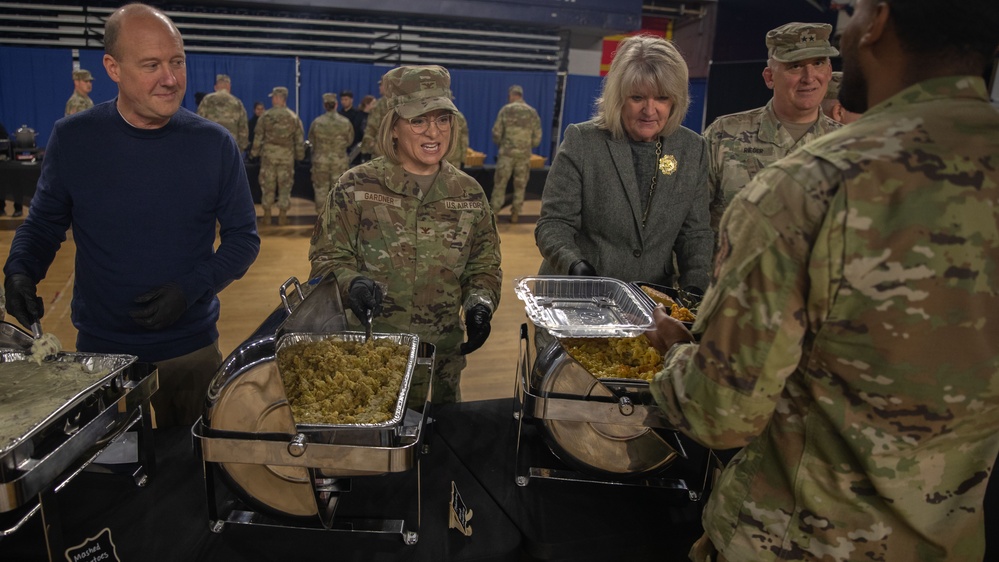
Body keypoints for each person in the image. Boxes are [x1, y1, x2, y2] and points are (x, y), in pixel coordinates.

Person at [644, 1, 999, 560]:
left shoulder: (812, 184)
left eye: (851, 10)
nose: (817, 68)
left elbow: (720, 411)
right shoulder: (730, 139)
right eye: (796, 64)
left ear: (878, 20)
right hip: (949, 536)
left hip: (804, 534)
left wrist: (674, 354)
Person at [3, 3, 260, 429]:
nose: (171, 78)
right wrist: (20, 272)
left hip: (190, 349)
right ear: (113, 67)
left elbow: (243, 239)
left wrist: (191, 288)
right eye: (151, 65)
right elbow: (45, 224)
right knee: (112, 481)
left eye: (177, 61)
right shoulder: (74, 138)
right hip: (101, 353)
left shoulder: (214, 145)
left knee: (195, 475)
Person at [308, 65, 502, 404]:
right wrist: (351, 283)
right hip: (372, 360)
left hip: (442, 363)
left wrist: (479, 304)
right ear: (394, 126)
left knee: (441, 450)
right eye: (419, 121)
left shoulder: (468, 193)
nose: (434, 132)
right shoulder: (356, 186)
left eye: (443, 119)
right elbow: (327, 259)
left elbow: (483, 265)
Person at [535, 34, 713, 295]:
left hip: (651, 303)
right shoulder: (583, 141)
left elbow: (695, 234)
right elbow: (553, 224)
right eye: (638, 98)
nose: (650, 110)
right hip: (578, 296)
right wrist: (575, 266)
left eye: (662, 98)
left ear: (675, 100)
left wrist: (695, 286)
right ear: (618, 98)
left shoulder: (692, 149)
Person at [703, 22, 840, 231]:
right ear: (769, 77)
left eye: (819, 63)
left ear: (829, 72)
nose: (809, 77)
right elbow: (689, 223)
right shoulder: (724, 135)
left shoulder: (845, 145)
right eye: (795, 66)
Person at [250, 86, 305, 226]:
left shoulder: (265, 116)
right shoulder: (293, 117)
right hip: (286, 157)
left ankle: (267, 216)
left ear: (277, 98)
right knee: (285, 185)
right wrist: (300, 157)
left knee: (268, 185)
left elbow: (258, 138)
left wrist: (253, 154)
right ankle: (282, 216)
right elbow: (299, 140)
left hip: (268, 156)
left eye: (273, 97)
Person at [490, 84, 541, 223]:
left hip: (506, 154)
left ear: (512, 95)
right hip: (523, 156)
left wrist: (503, 144)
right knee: (520, 185)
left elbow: (496, 132)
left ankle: (494, 213)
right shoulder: (532, 112)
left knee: (500, 184)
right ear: (521, 95)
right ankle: (515, 214)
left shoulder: (505, 110)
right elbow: (537, 138)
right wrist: (527, 145)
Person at [307, 93, 353, 214]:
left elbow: (312, 140)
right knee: (339, 190)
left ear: (324, 105)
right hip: (339, 161)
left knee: (321, 190)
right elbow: (350, 140)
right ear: (336, 105)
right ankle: (337, 220)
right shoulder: (345, 122)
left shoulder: (317, 122)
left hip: (320, 161)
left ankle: (321, 218)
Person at [197, 73, 249, 151]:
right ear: (229, 86)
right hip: (230, 147)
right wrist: (239, 149)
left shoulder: (207, 100)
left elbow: (198, 123)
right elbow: (243, 129)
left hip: (210, 146)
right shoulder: (237, 103)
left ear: (216, 87)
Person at [359, 79, 388, 161]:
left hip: (381, 152)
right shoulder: (404, 103)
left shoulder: (379, 105)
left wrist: (372, 146)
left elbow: (371, 128)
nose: (379, 88)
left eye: (381, 85)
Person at [338, 89, 364, 162]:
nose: (344, 102)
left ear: (351, 100)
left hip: (354, 147)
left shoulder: (357, 114)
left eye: (346, 99)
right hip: (341, 147)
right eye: (342, 100)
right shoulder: (338, 115)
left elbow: (358, 131)